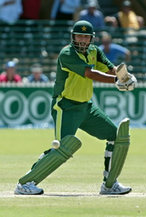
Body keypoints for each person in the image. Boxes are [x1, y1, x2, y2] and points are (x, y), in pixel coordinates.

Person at [14, 20, 136, 195]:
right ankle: (25, 183)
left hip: (87, 107)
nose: (82, 40)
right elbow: (90, 74)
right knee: (63, 147)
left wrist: (125, 76)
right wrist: (117, 81)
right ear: (73, 37)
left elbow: (111, 69)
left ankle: (110, 185)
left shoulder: (94, 51)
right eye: (79, 36)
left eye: (86, 37)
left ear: (91, 39)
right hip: (65, 106)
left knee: (116, 136)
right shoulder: (67, 54)